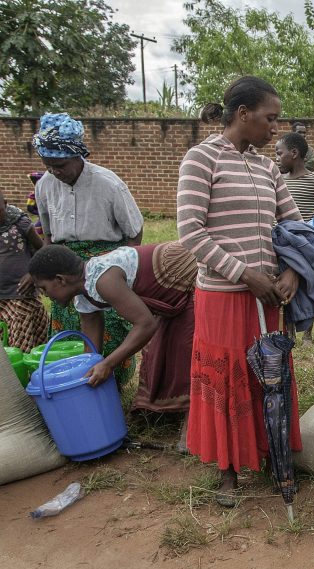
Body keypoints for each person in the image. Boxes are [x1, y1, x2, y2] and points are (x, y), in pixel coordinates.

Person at [177, 76, 303, 506]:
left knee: (270, 374)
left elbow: (295, 225)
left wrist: (292, 273)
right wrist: (244, 274)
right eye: (270, 118)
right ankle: (228, 467)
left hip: (269, 295)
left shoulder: (268, 167)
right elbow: (190, 232)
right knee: (230, 376)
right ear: (243, 114)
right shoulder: (201, 159)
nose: (275, 128)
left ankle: (272, 451)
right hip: (223, 296)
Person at [32, 112, 144, 388]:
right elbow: (47, 234)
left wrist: (125, 276)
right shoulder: (45, 185)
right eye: (48, 165)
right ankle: (79, 387)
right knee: (72, 333)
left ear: (78, 155)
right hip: (63, 271)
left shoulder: (108, 184)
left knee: (112, 331)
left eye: (60, 164)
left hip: (107, 268)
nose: (55, 171)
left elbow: (134, 232)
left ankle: (113, 390)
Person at [28, 243, 196, 420]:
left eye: (44, 288)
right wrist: (82, 381)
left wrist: (108, 364)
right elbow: (91, 353)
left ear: (61, 279)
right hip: (167, 298)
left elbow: (145, 325)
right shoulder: (83, 297)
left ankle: (194, 421)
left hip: (184, 277)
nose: (45, 295)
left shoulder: (103, 279)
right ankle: (170, 412)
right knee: (159, 353)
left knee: (186, 350)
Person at [0, 190, 48, 351]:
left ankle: (26, 375)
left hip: (20, 292)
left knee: (21, 346)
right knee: (5, 348)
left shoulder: (19, 222)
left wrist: (33, 274)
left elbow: (41, 249)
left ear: (5, 204)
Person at [275, 132, 314, 221]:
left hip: (307, 233)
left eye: (279, 154)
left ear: (294, 153)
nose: (276, 159)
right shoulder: (280, 181)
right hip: (285, 233)